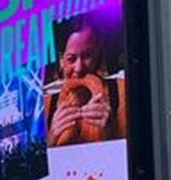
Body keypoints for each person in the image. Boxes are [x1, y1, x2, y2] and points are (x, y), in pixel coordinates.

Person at [46, 18, 127, 147]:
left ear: (97, 54)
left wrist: (110, 131)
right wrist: (51, 138)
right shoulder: (46, 105)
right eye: (71, 59)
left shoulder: (122, 91)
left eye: (87, 56)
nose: (79, 68)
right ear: (61, 60)